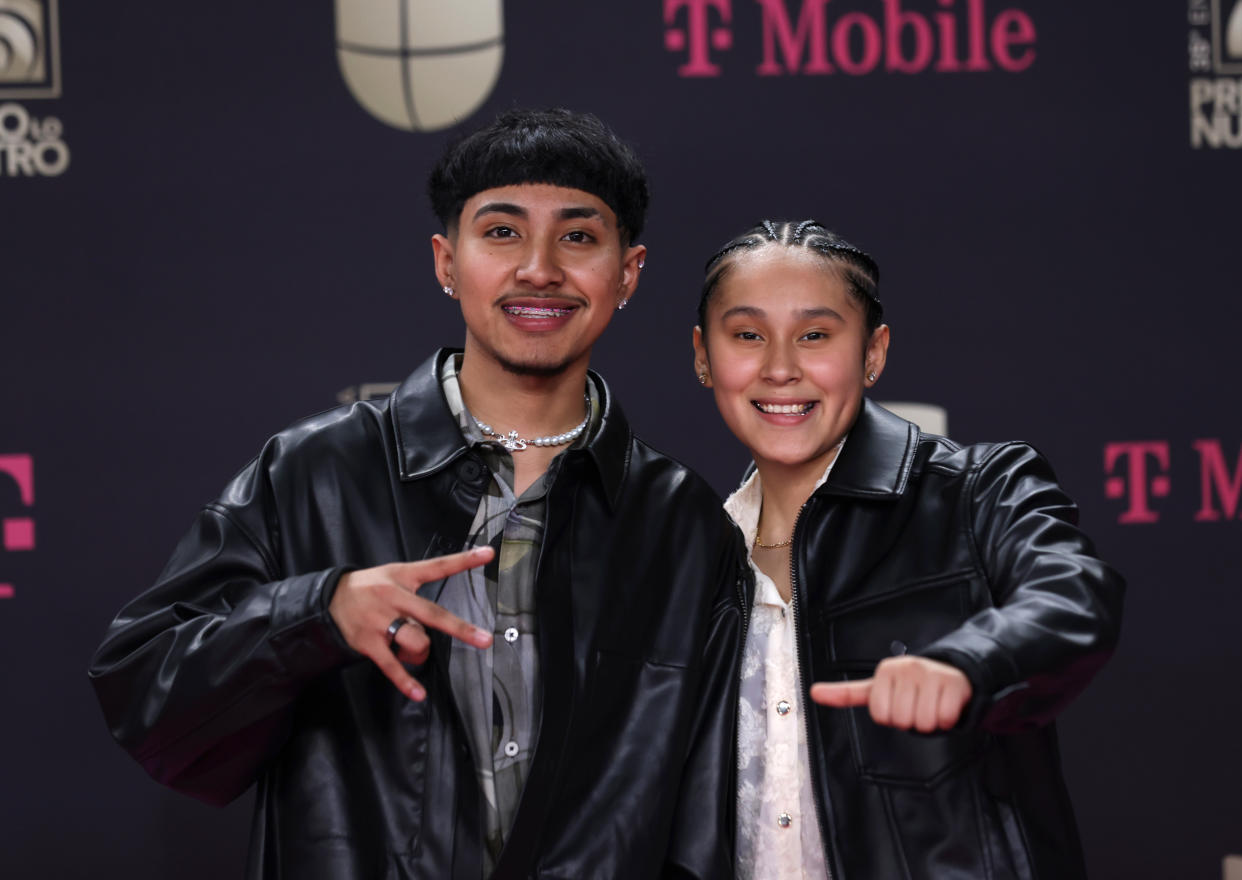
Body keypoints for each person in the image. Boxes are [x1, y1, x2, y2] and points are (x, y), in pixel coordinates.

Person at [88, 108, 744, 880]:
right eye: (501, 232)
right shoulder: (315, 473)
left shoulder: (678, 522)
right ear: (446, 260)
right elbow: (148, 705)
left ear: (627, 273)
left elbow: (708, 820)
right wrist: (315, 614)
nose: (539, 268)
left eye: (577, 236)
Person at [690, 219, 1125, 879]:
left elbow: (1076, 596)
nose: (779, 368)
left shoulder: (977, 490)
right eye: (747, 335)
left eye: (815, 335)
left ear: (873, 353)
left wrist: (965, 664)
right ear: (703, 356)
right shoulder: (689, 554)